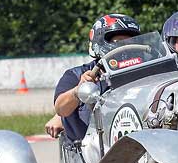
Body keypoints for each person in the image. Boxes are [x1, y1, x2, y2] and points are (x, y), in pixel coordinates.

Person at [51, 13, 142, 141]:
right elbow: (61, 109)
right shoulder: (76, 75)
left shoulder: (141, 73)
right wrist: (78, 91)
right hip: (88, 154)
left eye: (130, 42)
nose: (125, 47)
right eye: (118, 42)